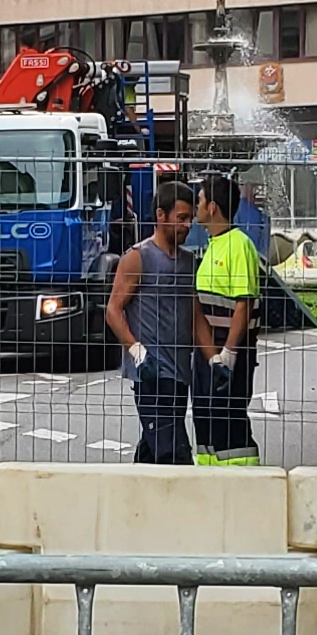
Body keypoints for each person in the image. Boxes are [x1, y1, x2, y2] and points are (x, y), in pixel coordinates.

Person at [106, 181, 203, 466]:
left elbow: (194, 314)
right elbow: (113, 310)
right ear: (161, 215)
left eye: (190, 219)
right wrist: (137, 351)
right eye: (181, 218)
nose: (187, 225)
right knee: (173, 452)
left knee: (154, 448)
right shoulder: (138, 257)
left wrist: (217, 359)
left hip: (179, 373)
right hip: (151, 375)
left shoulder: (188, 262)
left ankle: (136, 489)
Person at [187, 172, 266, 466]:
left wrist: (229, 355)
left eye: (199, 201)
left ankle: (242, 478)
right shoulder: (214, 244)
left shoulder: (238, 245)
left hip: (230, 357)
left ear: (212, 207)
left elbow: (244, 303)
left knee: (229, 423)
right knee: (207, 420)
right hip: (210, 356)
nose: (195, 207)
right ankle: (211, 475)